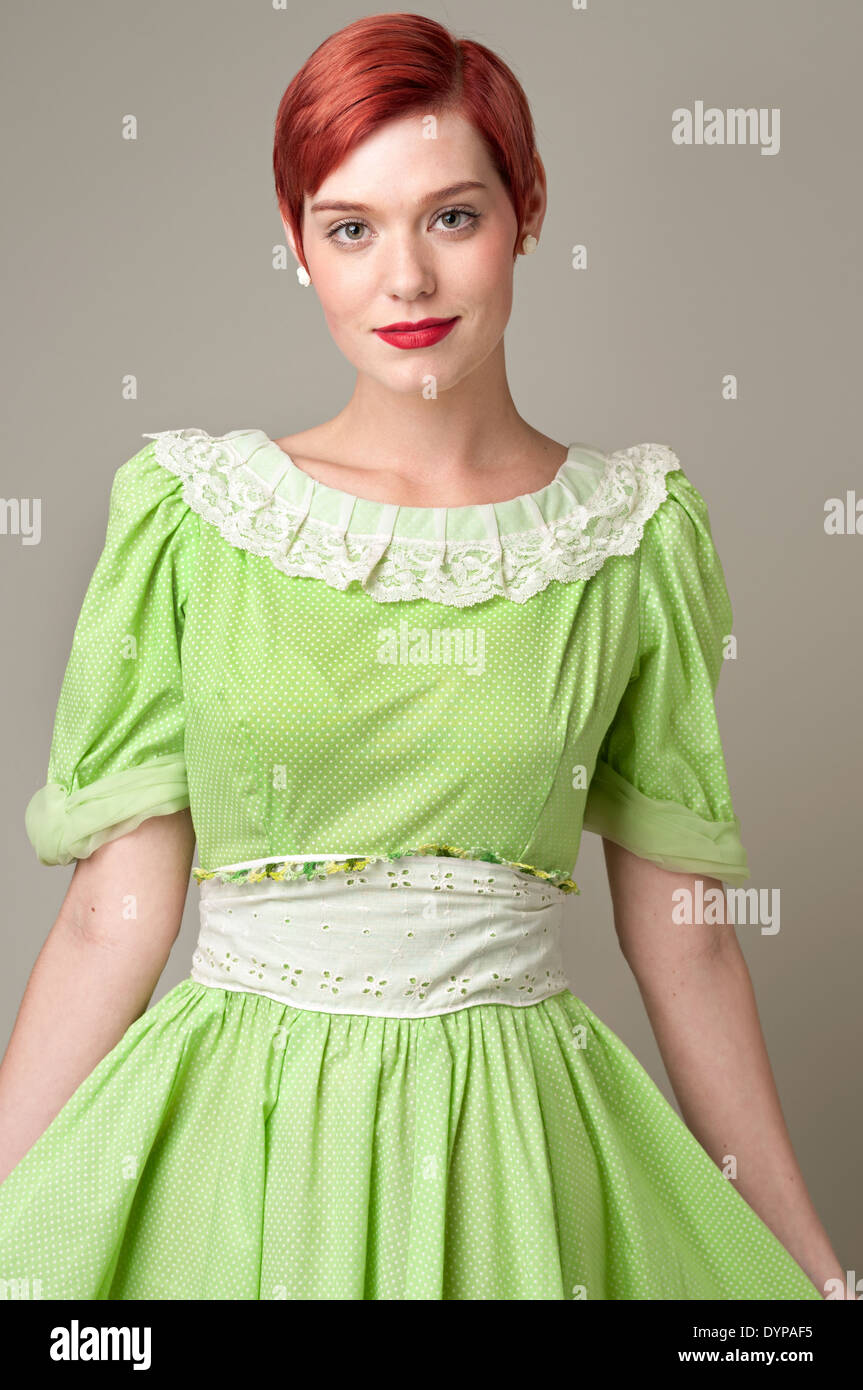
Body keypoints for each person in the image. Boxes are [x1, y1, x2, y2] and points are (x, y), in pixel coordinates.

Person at [0, 11, 844, 1300]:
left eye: (451, 217)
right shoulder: (193, 517)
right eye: (351, 228)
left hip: (513, 1153)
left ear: (527, 212)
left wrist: (811, 1270)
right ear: (296, 244)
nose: (406, 280)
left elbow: (690, 942)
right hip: (238, 1149)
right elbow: (112, 921)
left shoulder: (630, 536)